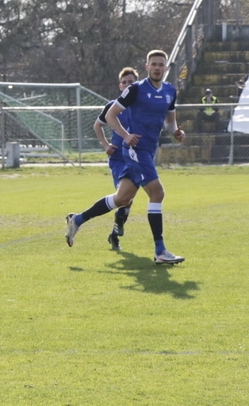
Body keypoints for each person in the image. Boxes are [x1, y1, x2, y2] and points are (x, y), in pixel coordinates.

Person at [65, 50, 186, 265]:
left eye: (161, 64)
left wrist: (176, 132)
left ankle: (78, 219)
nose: (157, 68)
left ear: (166, 68)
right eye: (154, 64)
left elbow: (169, 123)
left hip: (148, 150)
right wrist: (125, 136)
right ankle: (160, 251)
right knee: (157, 193)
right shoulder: (136, 90)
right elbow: (110, 116)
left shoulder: (170, 91)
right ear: (147, 67)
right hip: (135, 150)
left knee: (122, 199)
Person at [92, 67, 139, 251]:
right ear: (120, 86)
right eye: (125, 82)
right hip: (119, 158)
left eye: (132, 82)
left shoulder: (141, 107)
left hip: (137, 158)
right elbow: (97, 125)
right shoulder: (114, 106)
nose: (128, 85)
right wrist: (105, 145)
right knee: (124, 196)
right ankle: (117, 227)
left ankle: (114, 233)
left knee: (128, 198)